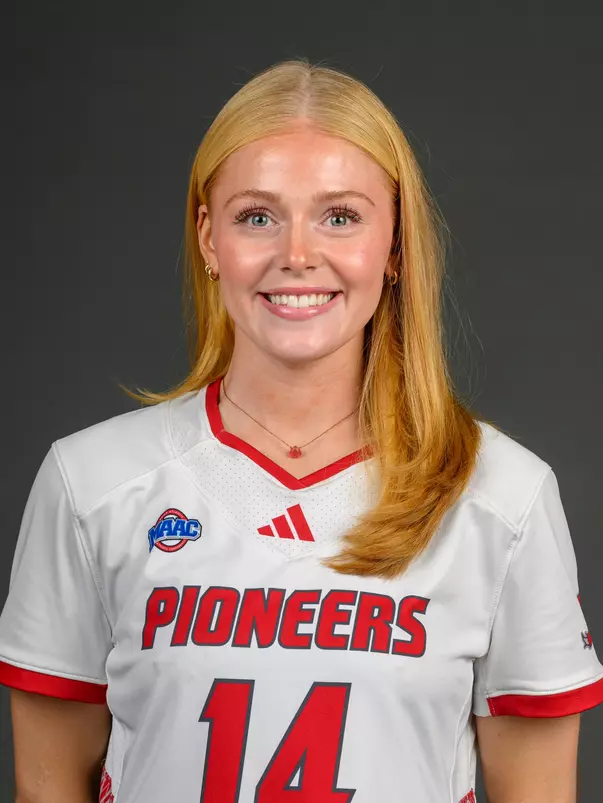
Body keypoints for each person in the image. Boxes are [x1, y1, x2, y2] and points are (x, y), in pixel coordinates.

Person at [0, 58, 601, 803]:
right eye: (257, 215)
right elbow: (47, 786)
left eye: (340, 216)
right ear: (208, 239)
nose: (295, 255)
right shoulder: (91, 481)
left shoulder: (500, 496)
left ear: (394, 246)